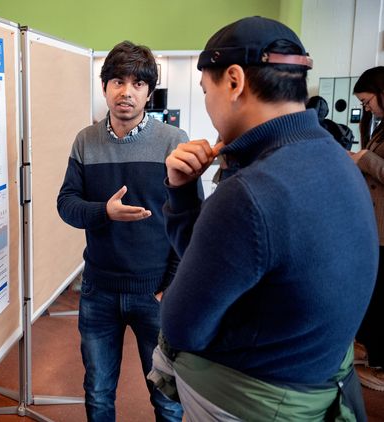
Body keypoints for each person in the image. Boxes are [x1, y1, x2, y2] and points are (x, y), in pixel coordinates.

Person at [159, 16, 376, 420]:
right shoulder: (336, 160)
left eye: (206, 91)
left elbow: (181, 326)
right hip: (316, 385)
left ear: (235, 81)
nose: (207, 106)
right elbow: (227, 270)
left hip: (255, 400)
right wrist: (185, 190)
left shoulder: (252, 192)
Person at [56, 41, 186, 421]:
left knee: (166, 397)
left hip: (155, 292)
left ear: (148, 91)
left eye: (137, 84)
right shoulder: (86, 141)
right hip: (98, 291)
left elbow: (187, 221)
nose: (126, 92)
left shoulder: (172, 142)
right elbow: (66, 204)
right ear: (104, 87)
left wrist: (172, 284)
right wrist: (104, 212)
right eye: (117, 81)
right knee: (97, 392)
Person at [351, 65, 384, 391]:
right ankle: (375, 354)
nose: (367, 108)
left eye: (368, 100)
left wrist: (363, 159)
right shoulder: (379, 127)